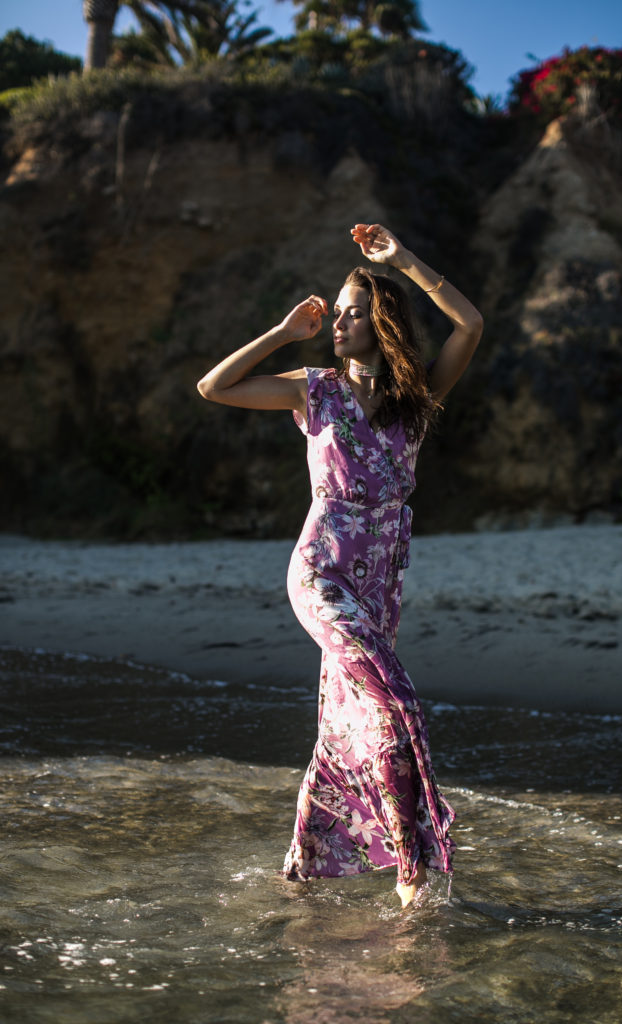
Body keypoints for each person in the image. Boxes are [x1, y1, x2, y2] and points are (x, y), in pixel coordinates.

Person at [197, 223, 483, 907]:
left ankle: (306, 863)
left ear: (380, 320)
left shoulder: (414, 401)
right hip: (320, 573)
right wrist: (282, 331)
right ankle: (417, 862)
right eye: (337, 311)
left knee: (356, 723)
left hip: (378, 588)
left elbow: (469, 324)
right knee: (394, 697)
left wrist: (401, 261)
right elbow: (214, 386)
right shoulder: (313, 388)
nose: (339, 321)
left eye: (353, 310)